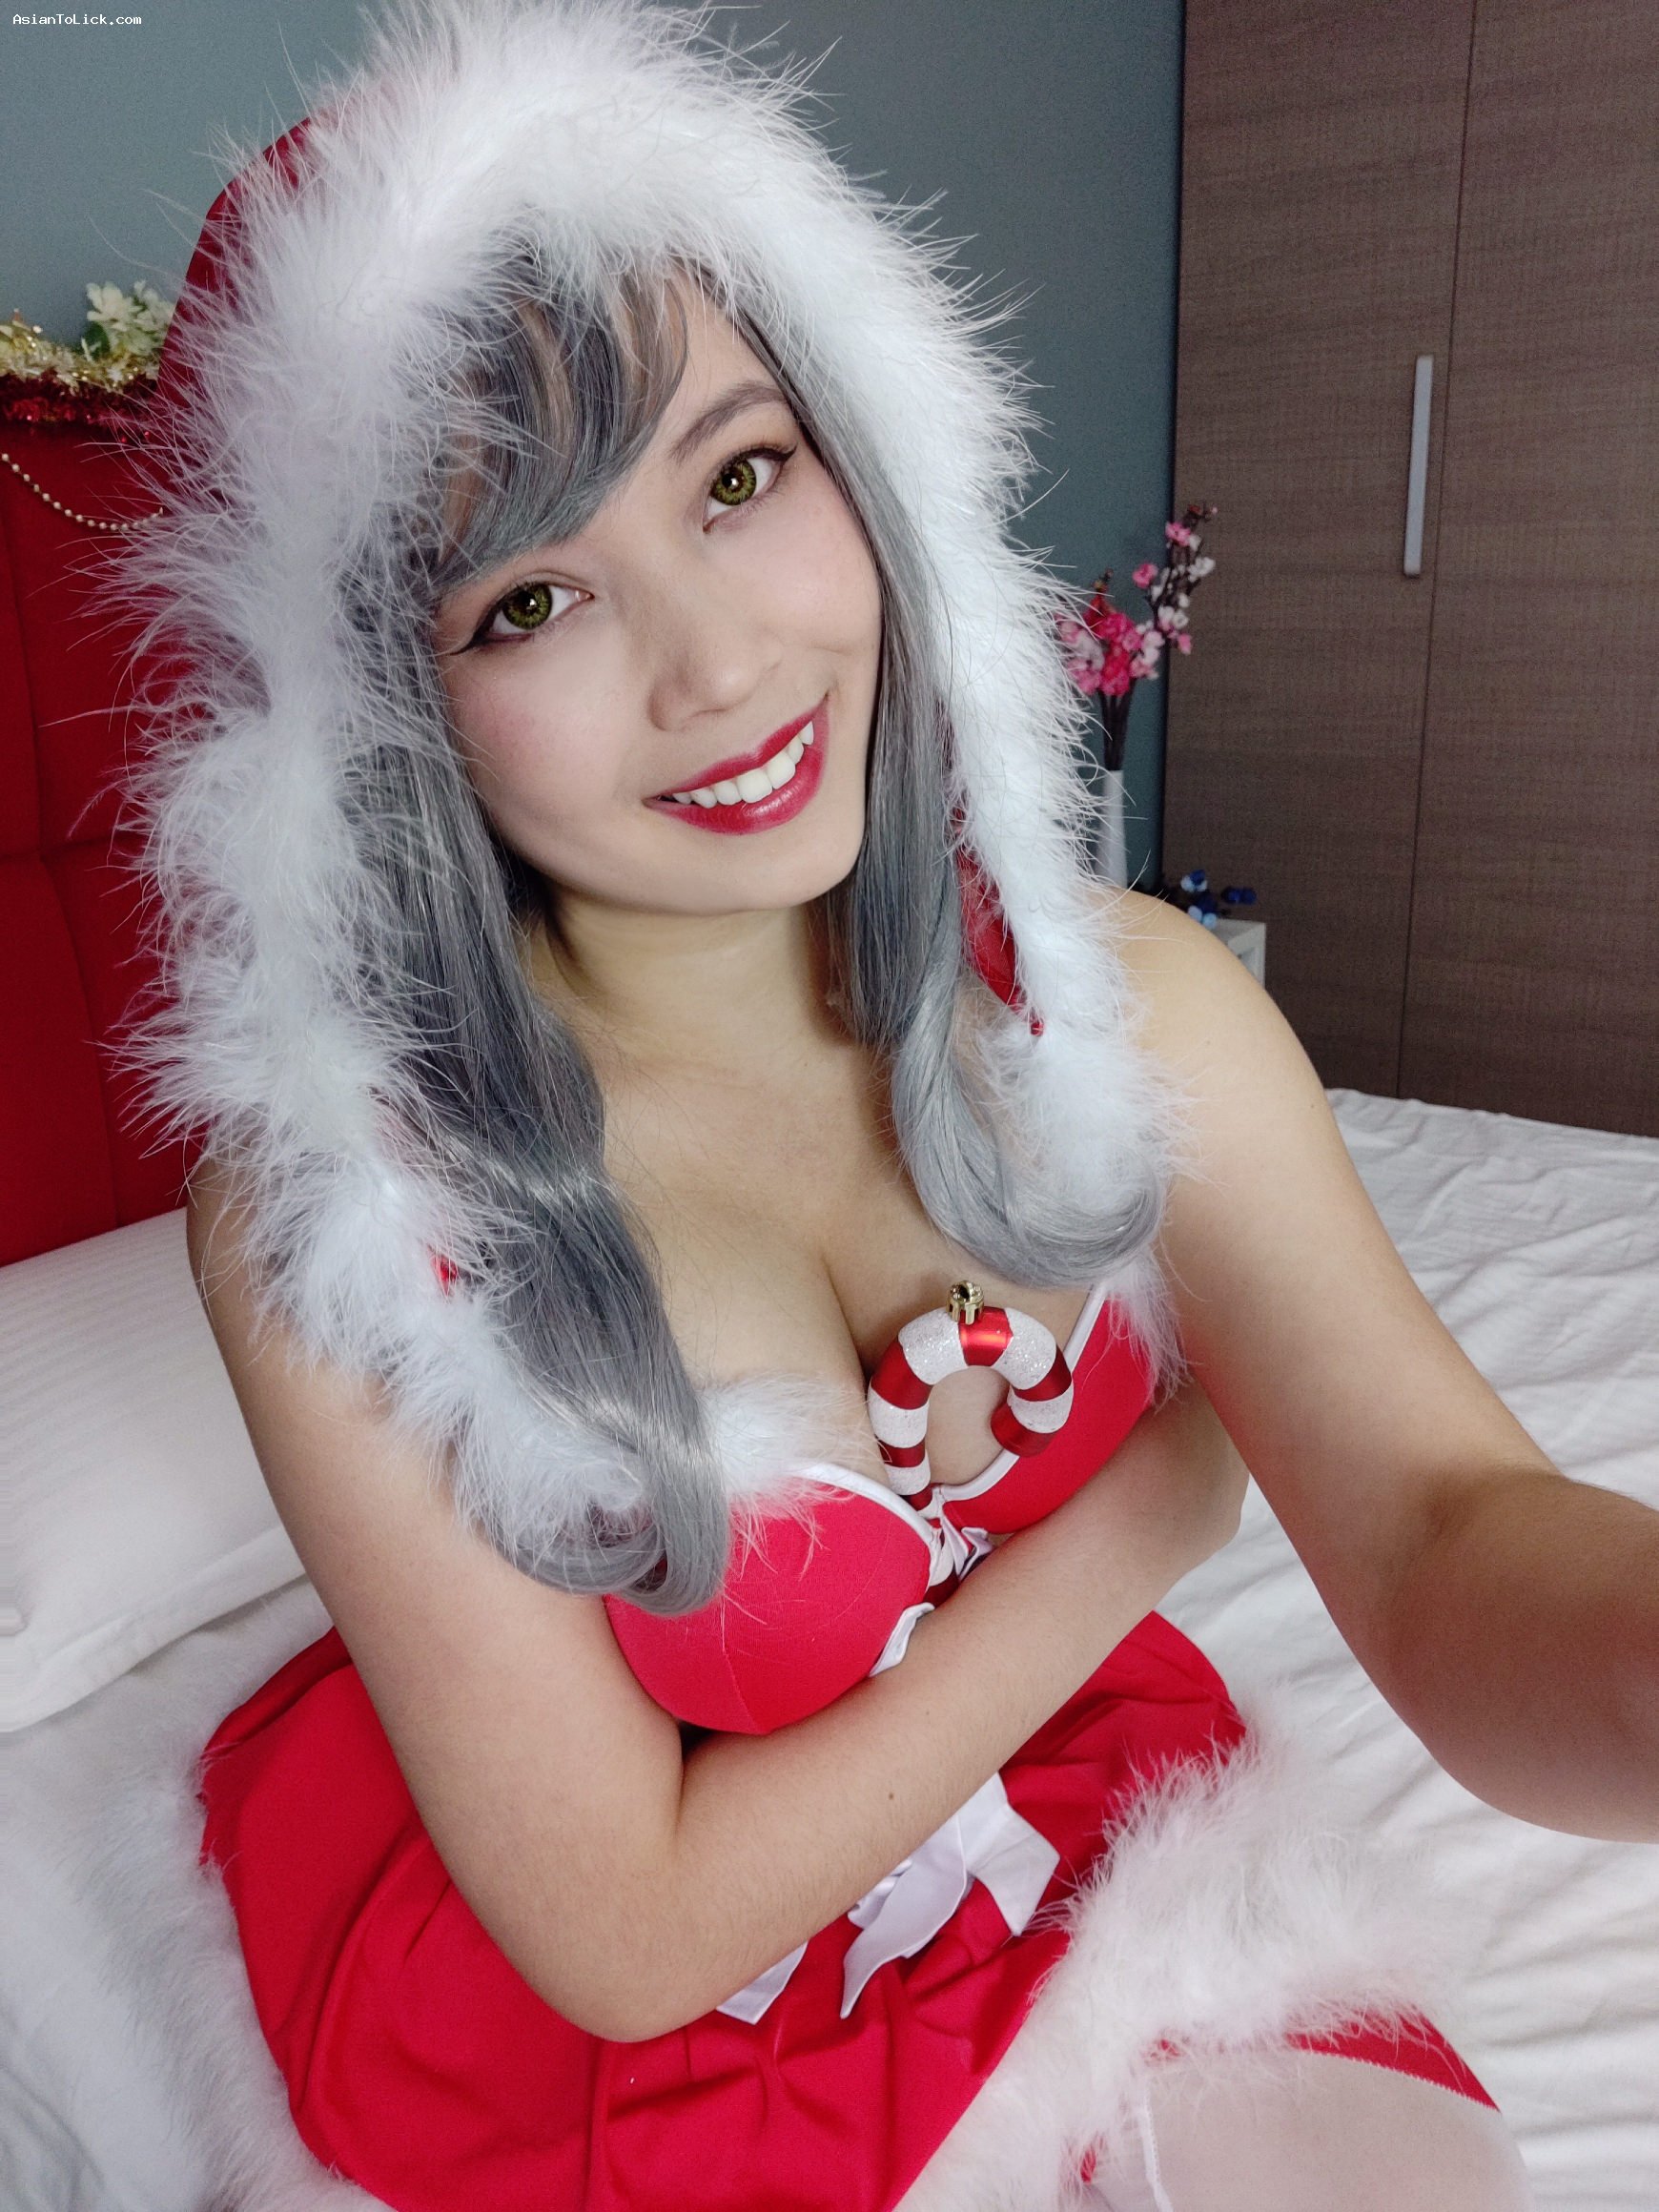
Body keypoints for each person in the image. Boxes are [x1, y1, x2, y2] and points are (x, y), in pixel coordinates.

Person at [111, 2, 1657, 2206]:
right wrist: (1141, 1518)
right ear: (382, 712)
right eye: (531, 596)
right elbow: (626, 1935)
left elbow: (1437, 1529)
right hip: (627, 2013)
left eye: (741, 478)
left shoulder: (1117, 1007)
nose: (720, 664)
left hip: (1065, 1823)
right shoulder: (347, 1225)